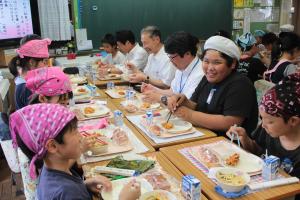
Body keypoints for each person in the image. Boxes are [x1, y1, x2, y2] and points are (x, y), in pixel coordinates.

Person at [9, 103, 141, 200]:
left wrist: (84, 185)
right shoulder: (68, 192)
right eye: (75, 131)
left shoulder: (49, 170)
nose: (81, 136)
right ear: (52, 146)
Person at [226, 73, 300, 199]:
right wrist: (245, 139)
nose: (263, 125)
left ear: (293, 121)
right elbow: (258, 151)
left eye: (270, 121)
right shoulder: (269, 130)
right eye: (262, 118)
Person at [167, 36, 258, 136]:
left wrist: (190, 115)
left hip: (227, 143)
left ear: (232, 63)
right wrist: (183, 101)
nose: (210, 68)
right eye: (206, 61)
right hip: (202, 134)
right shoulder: (207, 78)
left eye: (217, 62)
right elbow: (196, 105)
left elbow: (231, 122)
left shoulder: (241, 84)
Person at [142, 31, 204, 104]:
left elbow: (185, 103)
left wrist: (160, 98)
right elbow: (173, 92)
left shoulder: (201, 73)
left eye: (172, 57)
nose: (170, 61)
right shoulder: (181, 68)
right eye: (169, 57)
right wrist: (154, 89)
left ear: (187, 53)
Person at [8, 38, 51, 110]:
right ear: (32, 62)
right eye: (45, 61)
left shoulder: (25, 82)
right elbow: (40, 115)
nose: (46, 66)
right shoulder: (27, 88)